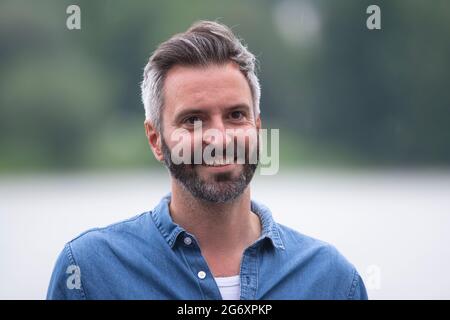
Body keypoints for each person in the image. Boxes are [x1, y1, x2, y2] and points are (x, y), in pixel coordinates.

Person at [47, 20, 367, 300]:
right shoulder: (90, 274)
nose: (218, 138)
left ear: (257, 128)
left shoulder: (332, 281)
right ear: (156, 139)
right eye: (192, 120)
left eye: (236, 115)